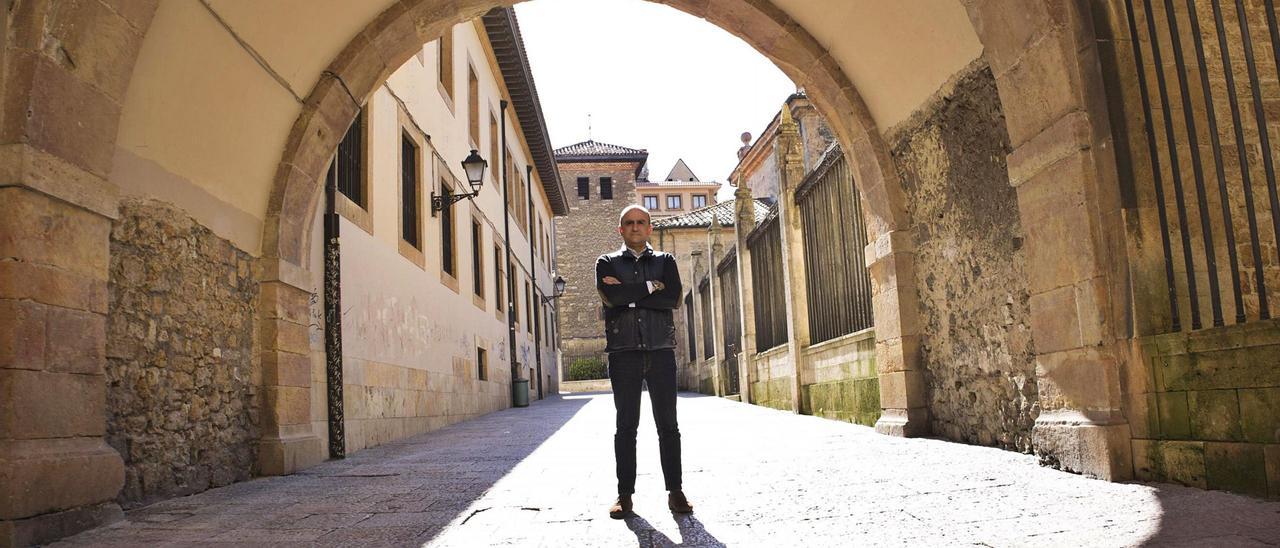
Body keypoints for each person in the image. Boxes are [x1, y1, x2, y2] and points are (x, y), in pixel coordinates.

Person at [596, 204, 693, 519]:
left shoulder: (666, 261)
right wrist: (651, 288)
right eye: (629, 223)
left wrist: (630, 295)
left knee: (669, 425)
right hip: (624, 352)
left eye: (641, 222)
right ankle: (624, 496)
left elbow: (674, 298)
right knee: (626, 426)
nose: (635, 227)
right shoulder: (606, 262)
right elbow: (611, 299)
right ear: (620, 230)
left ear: (650, 228)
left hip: (660, 349)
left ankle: (675, 492)